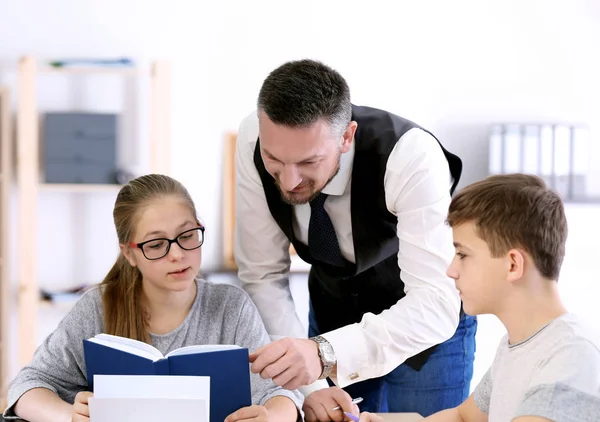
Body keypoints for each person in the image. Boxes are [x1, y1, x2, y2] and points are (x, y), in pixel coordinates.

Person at [234, 58, 476, 418]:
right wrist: (311, 382)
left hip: (425, 331)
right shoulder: (254, 138)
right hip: (332, 318)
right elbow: (262, 275)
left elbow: (435, 301)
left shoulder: (410, 157)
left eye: (308, 162)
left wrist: (324, 354)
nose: (288, 181)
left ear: (347, 136)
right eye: (274, 161)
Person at [3, 174, 303, 422]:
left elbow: (281, 394)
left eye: (187, 235)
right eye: (157, 244)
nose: (177, 254)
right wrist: (69, 416)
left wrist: (272, 417)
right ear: (129, 253)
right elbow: (26, 387)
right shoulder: (99, 307)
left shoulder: (231, 307)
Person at [420, 173, 600, 421]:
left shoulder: (570, 356)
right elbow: (464, 417)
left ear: (513, 264)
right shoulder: (514, 346)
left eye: (462, 254)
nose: (451, 270)